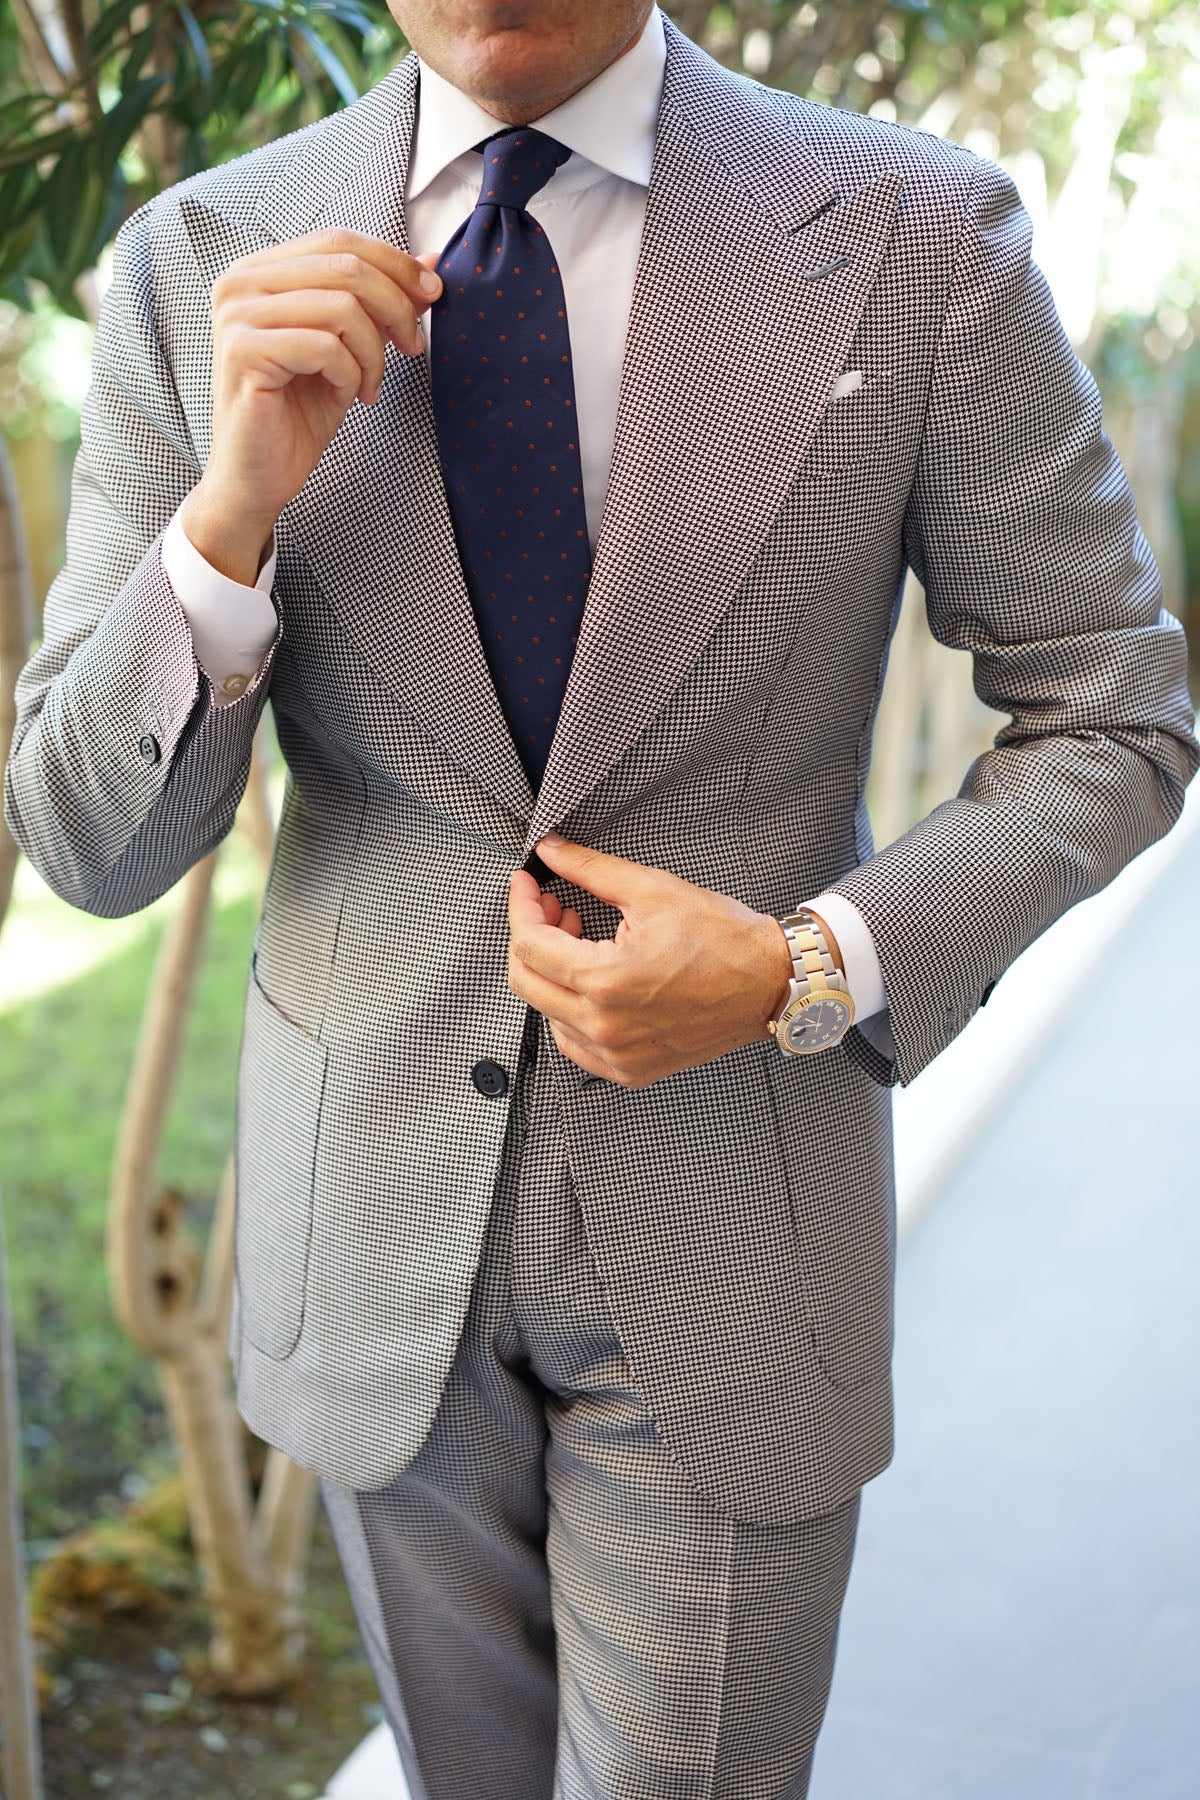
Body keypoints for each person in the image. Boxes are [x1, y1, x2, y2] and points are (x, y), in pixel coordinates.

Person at [5, 3, 1196, 1794]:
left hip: (737, 1222)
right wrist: (227, 512)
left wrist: (816, 961)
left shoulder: (913, 232)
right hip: (369, 1237)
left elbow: (1113, 704)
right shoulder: (202, 262)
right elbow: (91, 847)